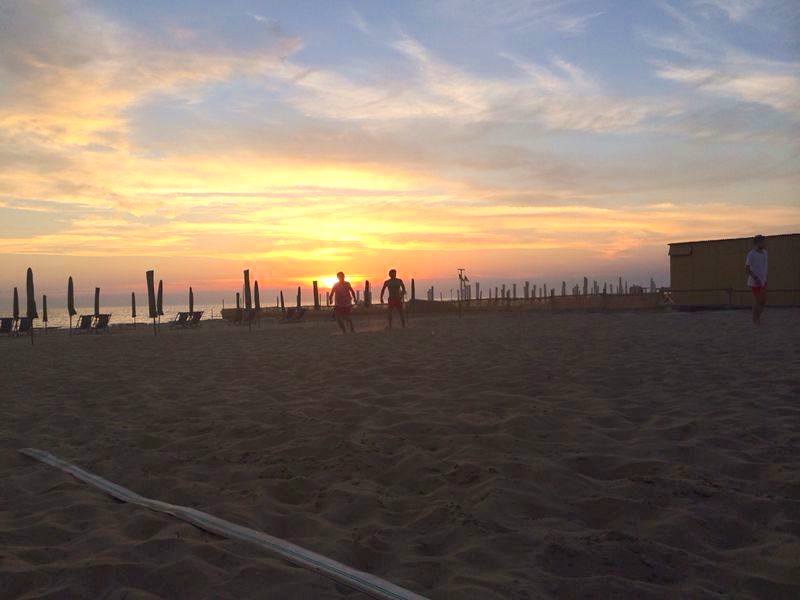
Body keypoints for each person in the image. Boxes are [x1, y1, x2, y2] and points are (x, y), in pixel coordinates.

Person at [745, 234, 768, 325]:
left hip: (763, 281)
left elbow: (764, 266)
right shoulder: (751, 254)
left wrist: (765, 278)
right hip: (755, 282)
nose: (764, 244)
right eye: (762, 242)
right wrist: (755, 278)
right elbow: (747, 269)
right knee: (758, 300)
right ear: (757, 243)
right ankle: (755, 319)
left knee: (763, 301)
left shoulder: (765, 252)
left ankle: (758, 318)